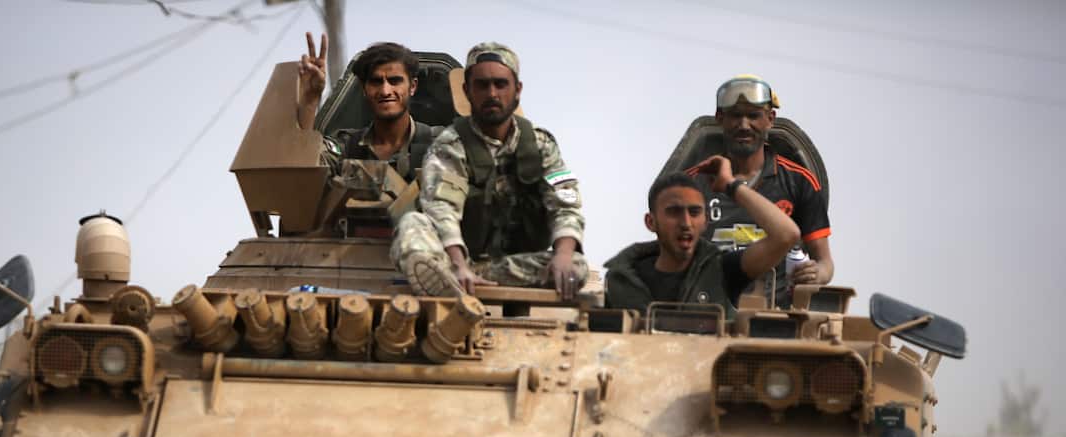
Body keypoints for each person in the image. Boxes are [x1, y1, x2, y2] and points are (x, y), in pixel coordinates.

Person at [391, 42, 586, 299]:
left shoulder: (540, 145)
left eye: (500, 84)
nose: (492, 93)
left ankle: (462, 284)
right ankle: (449, 279)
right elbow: (442, 209)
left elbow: (565, 204)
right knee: (412, 223)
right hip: (455, 259)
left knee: (577, 265)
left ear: (517, 90)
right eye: (482, 85)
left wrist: (563, 255)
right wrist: (458, 264)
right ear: (467, 91)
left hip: (509, 266)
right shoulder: (450, 145)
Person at [688, 75, 833, 300]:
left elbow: (825, 262)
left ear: (770, 119)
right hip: (708, 306)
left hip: (778, 311)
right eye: (735, 115)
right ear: (720, 118)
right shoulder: (693, 183)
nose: (744, 125)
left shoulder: (799, 182)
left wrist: (817, 273)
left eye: (753, 116)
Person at [605, 163, 799, 316]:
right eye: (674, 212)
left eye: (694, 212)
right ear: (651, 222)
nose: (686, 223)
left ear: (705, 221)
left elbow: (786, 235)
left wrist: (731, 185)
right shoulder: (623, 281)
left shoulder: (721, 270)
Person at [296, 34, 438, 183]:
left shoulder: (441, 144)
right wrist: (310, 101)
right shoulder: (347, 147)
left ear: (412, 86)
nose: (385, 91)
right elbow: (303, 168)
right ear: (364, 89)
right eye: (376, 82)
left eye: (394, 81)